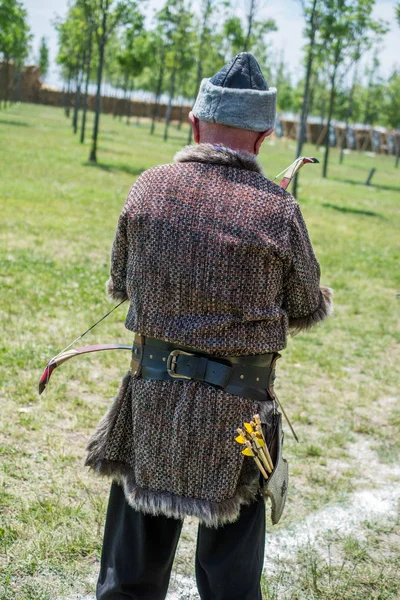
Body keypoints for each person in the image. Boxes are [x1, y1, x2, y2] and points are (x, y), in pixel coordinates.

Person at [85, 52, 333, 600]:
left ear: (194, 123)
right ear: (264, 137)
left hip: (153, 403)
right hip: (238, 415)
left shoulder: (148, 188)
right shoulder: (279, 211)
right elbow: (306, 304)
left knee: (128, 580)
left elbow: (121, 283)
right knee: (230, 589)